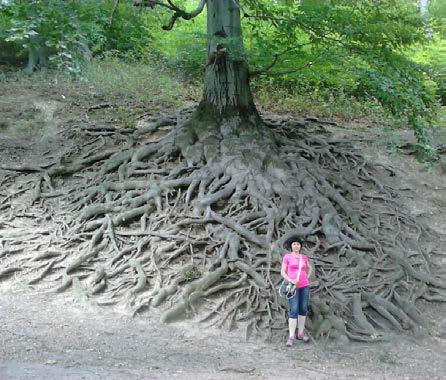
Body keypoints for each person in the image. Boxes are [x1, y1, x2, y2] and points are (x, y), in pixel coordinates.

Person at [281, 240, 313, 346]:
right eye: (294, 244)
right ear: (291, 245)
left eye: (298, 244)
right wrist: (290, 280)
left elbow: (310, 268)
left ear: (300, 246)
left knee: (303, 309)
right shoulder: (287, 257)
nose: (296, 246)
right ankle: (291, 336)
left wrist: (307, 278)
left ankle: (300, 333)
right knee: (294, 310)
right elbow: (282, 272)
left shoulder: (304, 257)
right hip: (293, 287)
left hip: (304, 286)